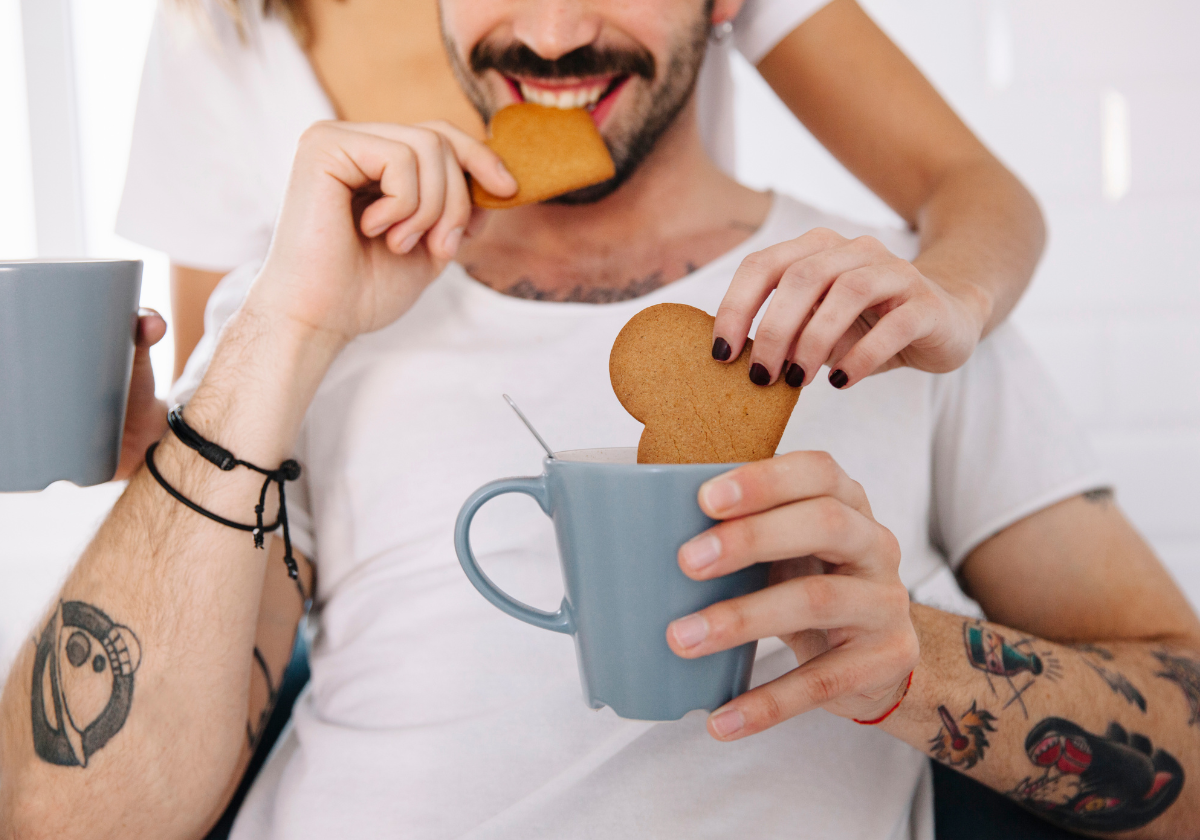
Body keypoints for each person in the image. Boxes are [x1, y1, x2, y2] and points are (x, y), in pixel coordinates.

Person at [3, 2, 1199, 839]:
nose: (557, 28)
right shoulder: (317, 317)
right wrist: (276, 333)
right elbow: (60, 818)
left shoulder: (892, 310)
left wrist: (919, 668)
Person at [117, 0, 1043, 390]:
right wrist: (157, 452)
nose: (553, 36)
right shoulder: (220, 27)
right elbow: (222, 374)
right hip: (401, 548)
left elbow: (971, 186)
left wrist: (955, 303)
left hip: (683, 426)